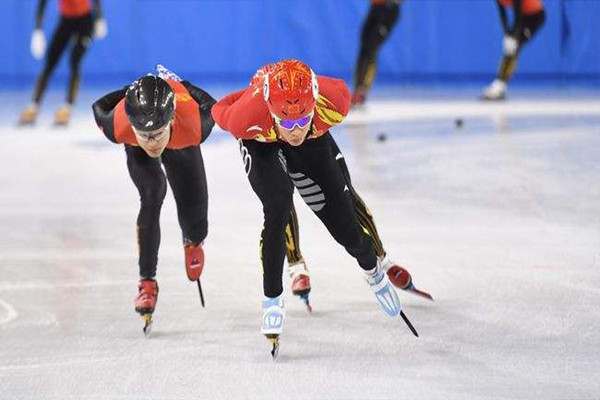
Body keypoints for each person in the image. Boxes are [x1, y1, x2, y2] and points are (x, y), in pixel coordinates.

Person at [212, 59, 418, 356]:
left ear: (314, 105)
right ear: (272, 110)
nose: (294, 130)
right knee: (277, 206)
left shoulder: (335, 101)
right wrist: (250, 93)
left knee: (343, 221)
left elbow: (304, 125)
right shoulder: (245, 117)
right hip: (261, 142)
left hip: (314, 139)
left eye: (300, 120)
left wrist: (294, 125)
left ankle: (373, 269)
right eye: (287, 122)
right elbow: (223, 106)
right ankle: (272, 299)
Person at [92, 66, 216, 334]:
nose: (152, 142)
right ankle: (146, 282)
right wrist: (127, 93)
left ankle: (192, 240)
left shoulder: (194, 124)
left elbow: (212, 106)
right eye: (145, 134)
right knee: (153, 192)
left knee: (196, 219)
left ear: (170, 120)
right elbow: (98, 106)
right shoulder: (119, 126)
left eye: (157, 133)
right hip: (143, 138)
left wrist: (183, 84)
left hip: (181, 139)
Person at [283, 133, 433, 313]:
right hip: (270, 135)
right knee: (279, 201)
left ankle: (382, 260)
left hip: (310, 128)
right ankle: (296, 266)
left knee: (346, 193)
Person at [19, 0, 108, 126]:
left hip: (85, 22)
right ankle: (34, 105)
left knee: (75, 60)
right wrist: (37, 31)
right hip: (66, 21)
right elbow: (42, 4)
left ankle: (68, 106)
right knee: (50, 62)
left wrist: (99, 17)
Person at [482, 0, 546, 100]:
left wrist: (514, 37)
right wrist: (507, 34)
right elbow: (502, 14)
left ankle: (500, 85)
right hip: (523, 17)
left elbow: (518, 14)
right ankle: (500, 84)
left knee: (514, 47)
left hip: (535, 17)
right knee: (510, 48)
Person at [352, 0, 402, 106]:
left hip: (388, 10)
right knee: (363, 50)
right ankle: (357, 88)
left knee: (371, 50)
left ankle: (363, 90)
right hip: (375, 8)